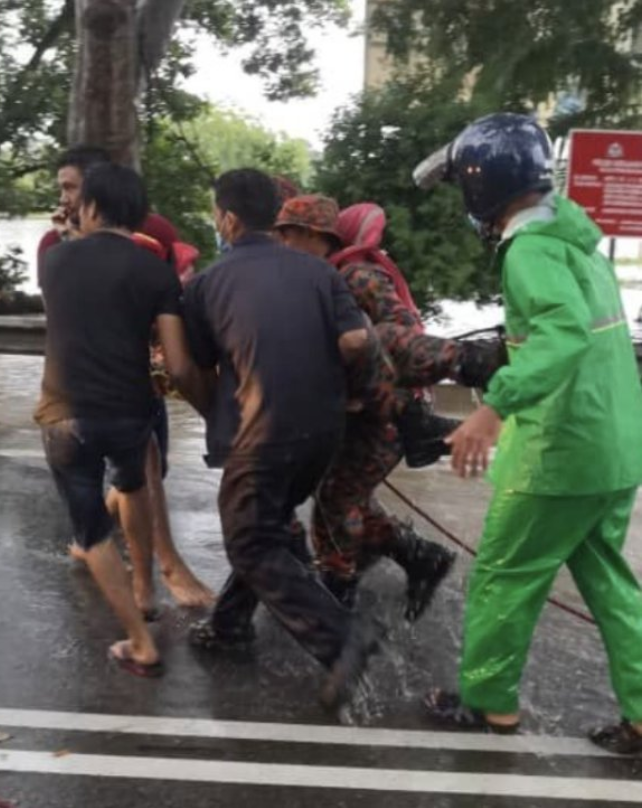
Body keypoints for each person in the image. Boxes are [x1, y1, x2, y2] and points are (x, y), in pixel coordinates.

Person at [415, 112, 642, 755]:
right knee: (608, 581)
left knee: (505, 574)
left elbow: (561, 335)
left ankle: (488, 705)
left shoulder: (532, 250)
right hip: (614, 448)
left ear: (485, 185)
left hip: (558, 453)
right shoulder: (578, 245)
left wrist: (494, 408)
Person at [183, 168, 381, 708]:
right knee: (269, 527)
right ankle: (229, 625)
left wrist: (215, 412)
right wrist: (357, 395)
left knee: (249, 539)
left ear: (227, 217)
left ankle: (342, 637)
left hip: (263, 427)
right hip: (322, 431)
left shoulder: (205, 284)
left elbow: (195, 366)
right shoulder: (319, 273)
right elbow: (358, 339)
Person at [275, 195, 503, 617]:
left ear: (314, 236)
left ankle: (336, 600)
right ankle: (421, 558)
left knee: (335, 505)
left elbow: (402, 333)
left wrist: (363, 366)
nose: (281, 244)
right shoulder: (318, 278)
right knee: (348, 499)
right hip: (357, 414)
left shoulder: (356, 275)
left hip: (388, 413)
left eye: (287, 235)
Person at [37, 164, 209, 676]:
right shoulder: (155, 272)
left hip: (66, 415)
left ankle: (139, 640)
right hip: (131, 410)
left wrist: (69, 227)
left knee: (90, 531)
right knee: (133, 487)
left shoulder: (56, 261)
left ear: (88, 206)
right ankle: (146, 589)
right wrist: (212, 407)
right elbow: (177, 364)